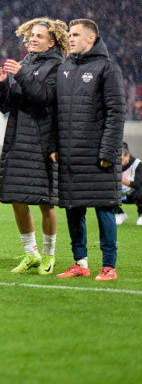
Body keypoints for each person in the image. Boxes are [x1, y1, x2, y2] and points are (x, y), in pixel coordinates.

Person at [0, 18, 67, 275]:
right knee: (16, 199)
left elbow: (44, 97)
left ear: (52, 41)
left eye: (38, 36)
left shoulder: (58, 66)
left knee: (45, 202)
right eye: (31, 35)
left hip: (41, 140)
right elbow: (6, 106)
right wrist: (1, 84)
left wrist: (20, 74)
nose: (32, 39)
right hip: (17, 139)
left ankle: (49, 255)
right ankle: (31, 253)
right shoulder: (24, 65)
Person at [54, 19, 125, 281]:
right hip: (70, 155)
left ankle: (109, 266)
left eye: (76, 35)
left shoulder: (107, 68)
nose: (70, 38)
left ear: (91, 39)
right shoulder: (64, 69)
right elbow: (55, 113)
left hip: (97, 156)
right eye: (69, 34)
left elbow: (116, 113)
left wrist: (108, 152)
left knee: (104, 208)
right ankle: (79, 263)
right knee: (74, 208)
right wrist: (54, 146)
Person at [119, 142, 142, 225]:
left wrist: (123, 180)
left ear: (127, 156)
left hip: (133, 194)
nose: (118, 162)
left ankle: (141, 214)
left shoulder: (137, 164)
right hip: (118, 194)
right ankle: (119, 213)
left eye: (120, 159)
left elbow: (138, 184)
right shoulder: (112, 164)